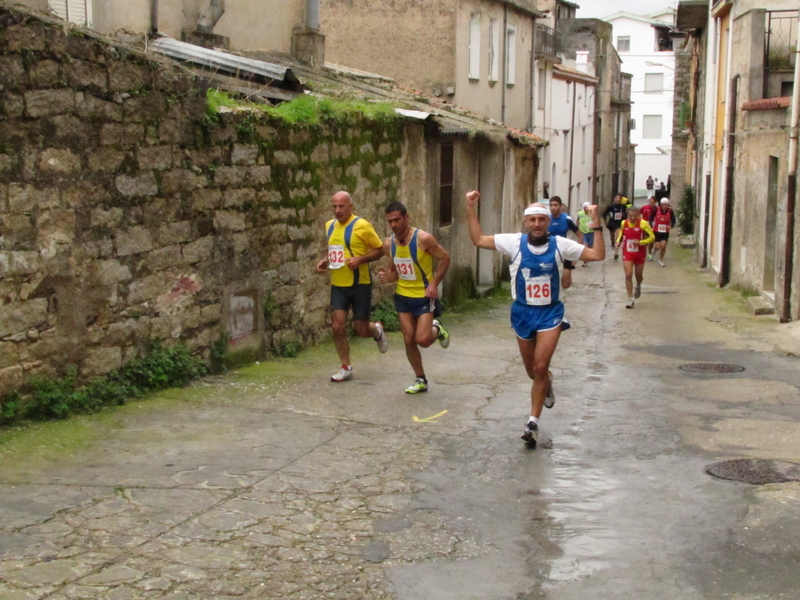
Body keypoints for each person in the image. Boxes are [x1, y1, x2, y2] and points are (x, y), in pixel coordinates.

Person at [464, 190, 606, 447]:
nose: (537, 224)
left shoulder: (560, 244)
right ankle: (546, 383)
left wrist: (597, 223)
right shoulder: (514, 242)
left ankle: (532, 423)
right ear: (526, 222)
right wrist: (470, 208)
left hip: (550, 313)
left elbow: (597, 255)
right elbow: (478, 240)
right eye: (533, 220)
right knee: (533, 372)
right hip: (522, 313)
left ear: (549, 222)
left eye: (542, 219)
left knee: (540, 366)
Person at [377, 202, 451, 394]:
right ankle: (420, 379)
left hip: (424, 295)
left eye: (397, 220)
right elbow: (394, 273)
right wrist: (387, 277)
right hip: (403, 296)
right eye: (390, 221)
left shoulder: (423, 239)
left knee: (423, 340)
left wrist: (434, 284)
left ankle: (437, 329)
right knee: (408, 339)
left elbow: (445, 258)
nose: (393, 225)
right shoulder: (389, 244)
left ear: (406, 218)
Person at [316, 191, 388, 382]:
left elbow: (380, 249)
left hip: (360, 283)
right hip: (338, 284)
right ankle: (346, 367)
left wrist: (360, 259)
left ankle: (376, 330)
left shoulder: (362, 226)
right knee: (337, 326)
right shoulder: (329, 226)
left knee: (361, 330)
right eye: (334, 206)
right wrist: (324, 261)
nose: (337, 210)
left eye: (341, 206)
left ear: (350, 207)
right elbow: (335, 250)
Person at [616, 205, 655, 308]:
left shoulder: (643, 223)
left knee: (638, 275)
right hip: (628, 252)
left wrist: (641, 242)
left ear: (638, 215)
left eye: (634, 216)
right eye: (630, 216)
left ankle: (638, 285)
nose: (632, 218)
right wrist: (618, 242)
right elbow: (621, 234)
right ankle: (630, 299)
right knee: (628, 274)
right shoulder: (624, 223)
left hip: (640, 253)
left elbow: (652, 237)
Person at [649, 198, 677, 267]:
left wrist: (671, 226)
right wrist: (651, 226)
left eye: (666, 205)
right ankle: (655, 249)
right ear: (661, 205)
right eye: (663, 205)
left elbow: (673, 221)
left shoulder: (670, 211)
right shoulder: (656, 209)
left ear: (668, 205)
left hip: (665, 231)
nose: (664, 206)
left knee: (663, 246)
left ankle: (660, 260)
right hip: (657, 231)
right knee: (658, 247)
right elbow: (650, 218)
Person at [603, 195, 628, 260]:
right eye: (617, 198)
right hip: (612, 224)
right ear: (614, 200)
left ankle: (616, 253)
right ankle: (612, 242)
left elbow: (625, 215)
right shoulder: (610, 207)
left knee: (618, 237)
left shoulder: (623, 206)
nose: (618, 200)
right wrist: (606, 223)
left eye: (619, 199)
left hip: (619, 224)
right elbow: (604, 215)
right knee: (612, 237)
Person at [639, 197, 658, 261]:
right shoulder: (644, 208)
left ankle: (649, 253)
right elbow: (638, 213)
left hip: (653, 226)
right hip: (645, 227)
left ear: (655, 202)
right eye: (649, 201)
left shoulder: (657, 209)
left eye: (652, 201)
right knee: (645, 240)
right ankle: (643, 254)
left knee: (652, 240)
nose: (650, 203)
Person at [576, 202, 594, 267]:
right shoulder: (580, 213)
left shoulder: (592, 213)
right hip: (583, 232)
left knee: (590, 246)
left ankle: (588, 257)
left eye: (587, 207)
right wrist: (577, 227)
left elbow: (596, 221)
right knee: (585, 246)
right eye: (585, 207)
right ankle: (585, 261)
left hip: (591, 232)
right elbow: (577, 220)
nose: (586, 209)